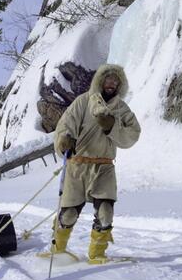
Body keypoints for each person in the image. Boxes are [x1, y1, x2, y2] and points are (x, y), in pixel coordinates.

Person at [51, 63, 141, 264]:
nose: (112, 83)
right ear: (100, 81)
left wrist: (113, 127)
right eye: (108, 79)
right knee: (69, 215)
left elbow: (132, 136)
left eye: (116, 80)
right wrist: (65, 140)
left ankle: (97, 254)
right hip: (78, 166)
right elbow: (65, 126)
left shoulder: (121, 109)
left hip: (104, 166)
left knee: (106, 213)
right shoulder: (83, 102)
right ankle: (57, 250)